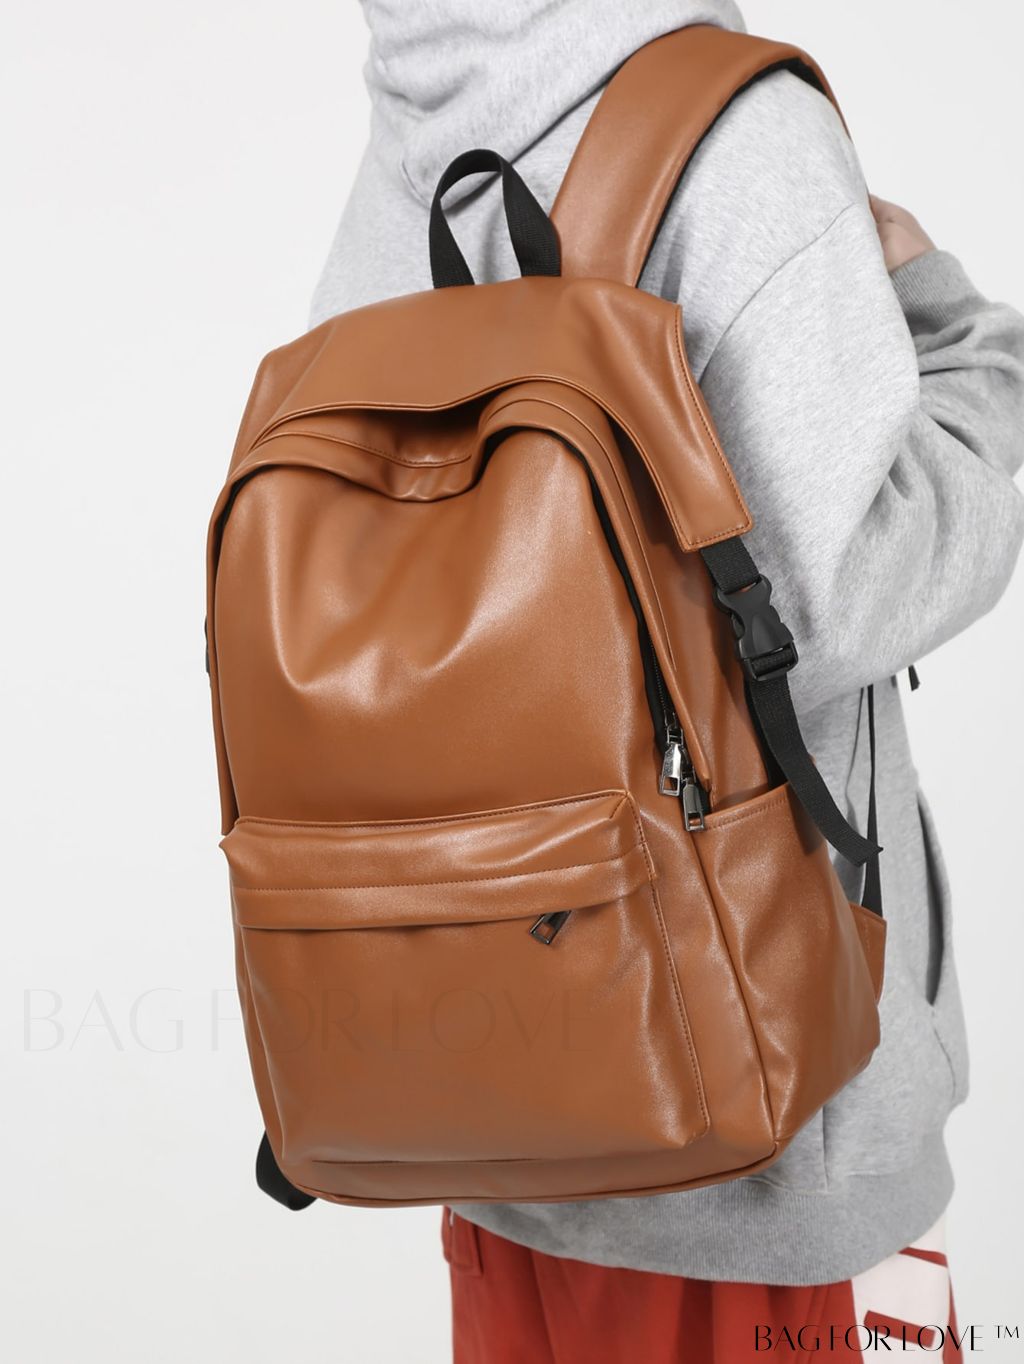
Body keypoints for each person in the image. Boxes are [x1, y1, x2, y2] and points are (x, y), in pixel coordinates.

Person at [310, 1, 1024, 1358]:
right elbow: (838, 597)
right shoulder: (740, 130)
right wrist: (966, 350)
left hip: (490, 1107)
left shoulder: (422, 112)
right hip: (764, 1154)